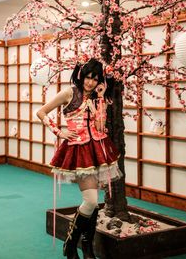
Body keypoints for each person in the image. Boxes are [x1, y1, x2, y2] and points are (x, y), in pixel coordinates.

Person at [37, 58, 121, 259]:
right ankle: (70, 243)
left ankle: (87, 248)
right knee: (91, 200)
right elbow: (41, 112)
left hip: (98, 150)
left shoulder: (97, 97)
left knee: (92, 202)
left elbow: (101, 127)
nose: (90, 82)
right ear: (81, 75)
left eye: (95, 79)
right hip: (79, 151)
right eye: (87, 77)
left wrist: (101, 98)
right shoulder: (70, 92)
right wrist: (59, 132)